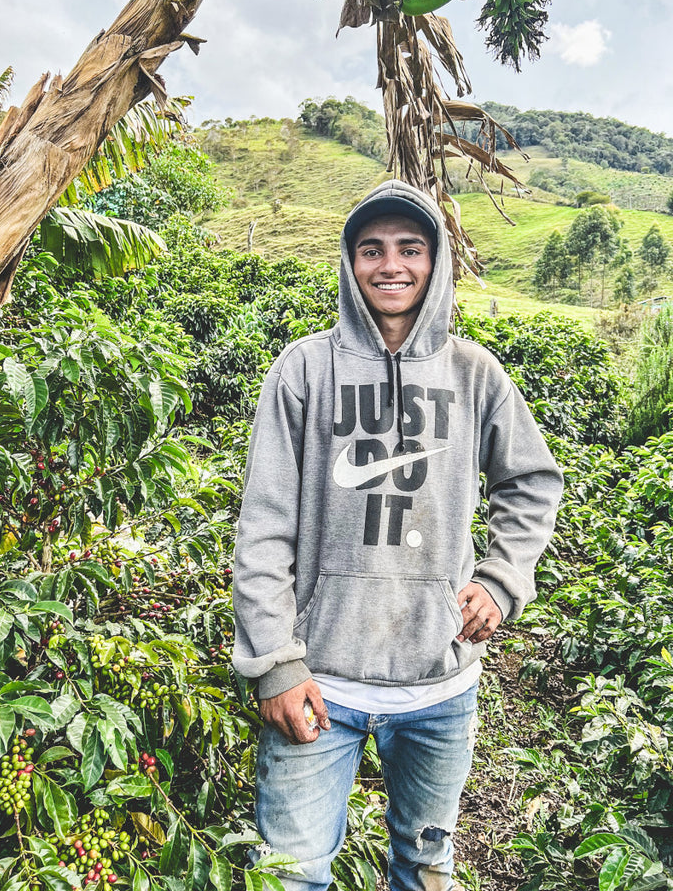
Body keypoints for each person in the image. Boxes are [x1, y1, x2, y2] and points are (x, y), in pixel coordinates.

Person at [232, 179, 563, 891]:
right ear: (350, 263)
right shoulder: (305, 369)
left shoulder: (476, 373)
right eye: (371, 249)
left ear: (435, 260)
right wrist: (274, 664)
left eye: (410, 248)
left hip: (439, 689)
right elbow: (262, 526)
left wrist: (503, 580)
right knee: (289, 875)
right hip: (320, 683)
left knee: (425, 868)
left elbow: (531, 483)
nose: (391, 265)